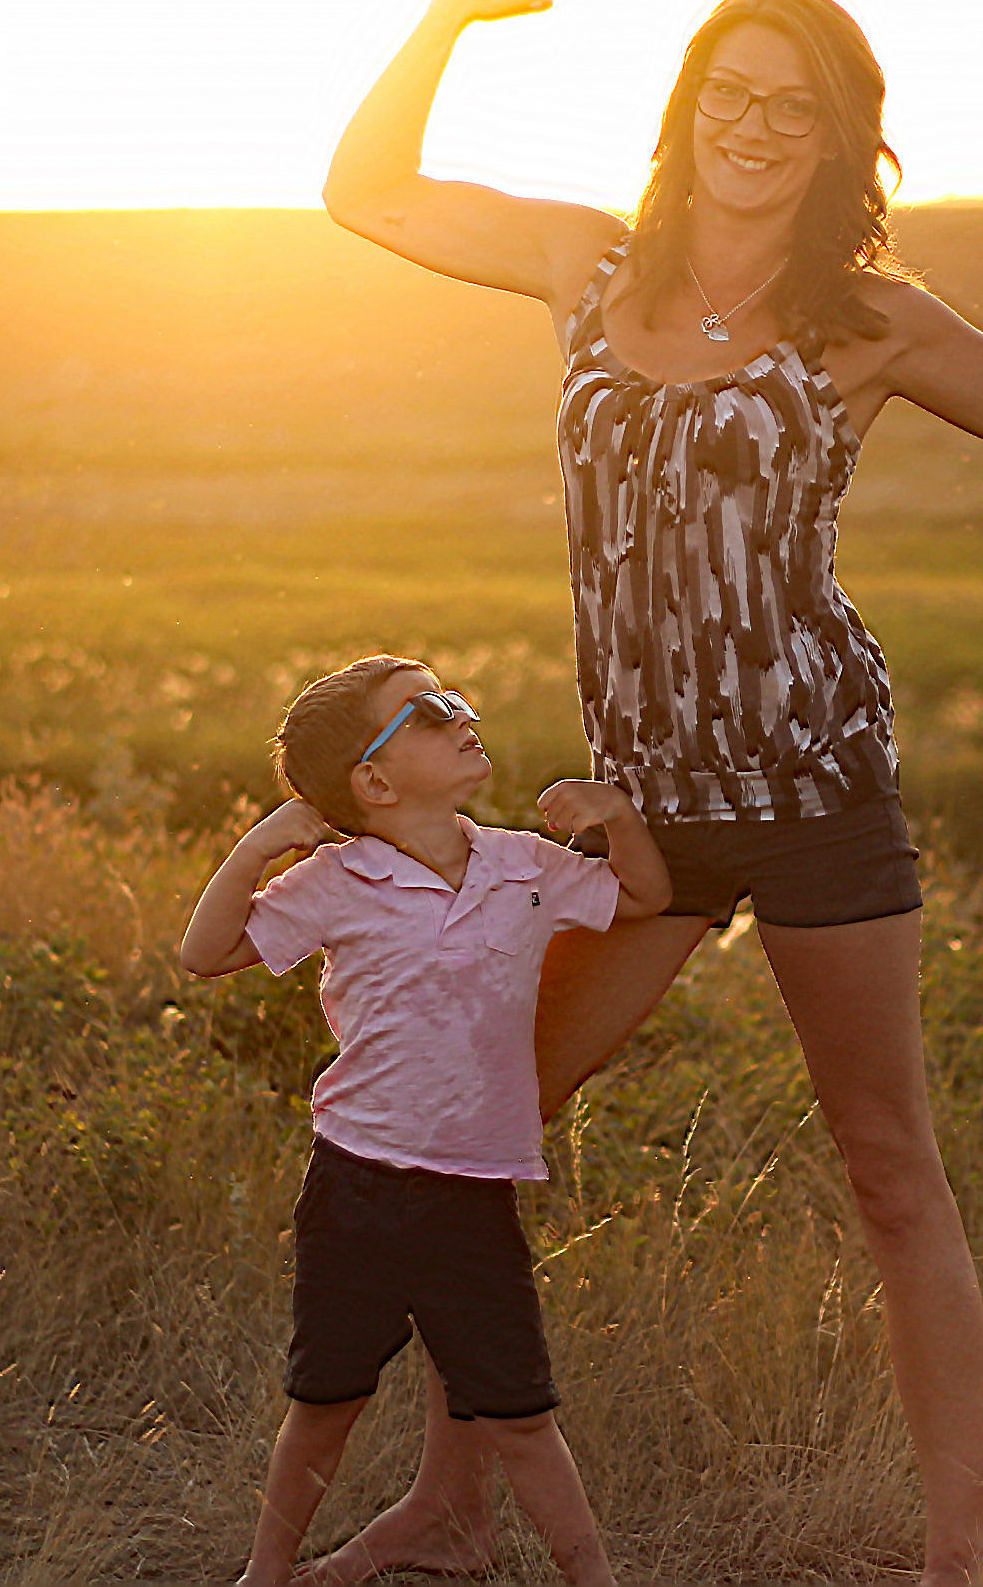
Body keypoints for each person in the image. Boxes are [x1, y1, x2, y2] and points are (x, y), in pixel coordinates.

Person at [319, 0, 983, 1586]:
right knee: (476, 1115)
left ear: (839, 140)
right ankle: (449, 1504)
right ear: (687, 103)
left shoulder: (867, 322)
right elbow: (367, 192)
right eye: (730, 92)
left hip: (818, 792)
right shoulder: (584, 260)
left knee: (888, 1166)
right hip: (643, 812)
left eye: (795, 107)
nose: (755, 127)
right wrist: (446, 19)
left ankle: (957, 1559)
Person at [180, 653, 672, 1587]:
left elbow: (640, 897)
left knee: (521, 1410)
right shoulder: (336, 880)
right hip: (357, 1182)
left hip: (475, 1188)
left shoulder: (522, 865)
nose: (462, 715)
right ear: (374, 780)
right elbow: (206, 954)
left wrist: (620, 817)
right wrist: (256, 849)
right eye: (429, 710)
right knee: (328, 1396)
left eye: (455, 699)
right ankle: (265, 1575)